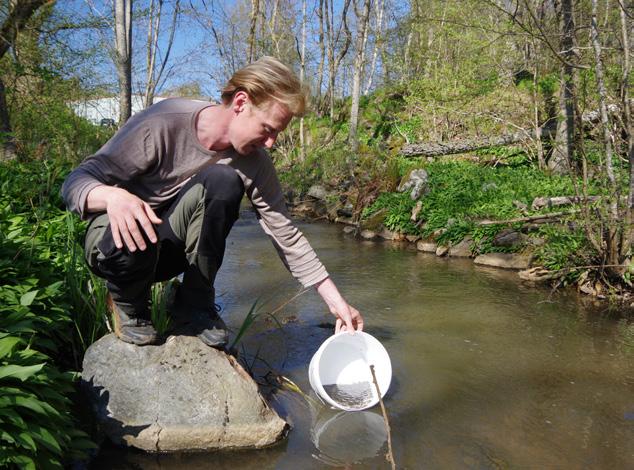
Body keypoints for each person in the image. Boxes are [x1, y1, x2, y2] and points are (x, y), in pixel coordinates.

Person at [62, 56, 364, 348]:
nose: (271, 142)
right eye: (268, 129)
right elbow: (76, 181)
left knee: (224, 180)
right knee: (127, 227)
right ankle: (131, 308)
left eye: (277, 134)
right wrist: (113, 196)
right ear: (241, 103)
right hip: (115, 247)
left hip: (166, 249)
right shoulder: (164, 121)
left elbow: (286, 236)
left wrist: (337, 303)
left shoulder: (255, 163)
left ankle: (192, 305)